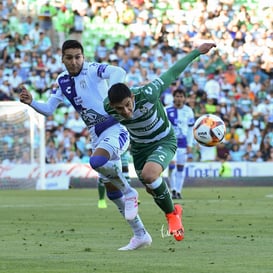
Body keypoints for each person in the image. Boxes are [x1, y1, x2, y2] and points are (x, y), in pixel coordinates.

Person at [19, 39, 152, 251]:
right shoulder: (62, 81)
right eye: (69, 58)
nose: (74, 62)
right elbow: (49, 109)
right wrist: (32, 102)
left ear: (83, 57)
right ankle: (140, 234)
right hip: (96, 136)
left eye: (77, 57)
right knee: (111, 191)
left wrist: (113, 94)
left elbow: (118, 71)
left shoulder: (93, 70)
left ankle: (130, 192)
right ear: (62, 59)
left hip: (116, 128)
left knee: (97, 161)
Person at [104, 42, 216, 241]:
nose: (126, 112)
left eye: (128, 105)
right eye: (120, 109)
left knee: (149, 175)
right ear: (112, 106)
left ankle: (172, 216)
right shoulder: (108, 107)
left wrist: (197, 52)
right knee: (152, 186)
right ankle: (175, 210)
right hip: (139, 148)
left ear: (132, 96)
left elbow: (173, 72)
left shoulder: (148, 93)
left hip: (164, 140)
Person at [165, 89, 195, 199]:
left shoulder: (189, 111)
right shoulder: (166, 109)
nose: (179, 98)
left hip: (183, 143)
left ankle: (178, 191)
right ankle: (172, 189)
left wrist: (190, 145)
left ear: (184, 98)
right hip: (170, 143)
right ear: (174, 97)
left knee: (181, 168)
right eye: (177, 96)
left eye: (181, 96)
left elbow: (191, 129)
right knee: (172, 166)